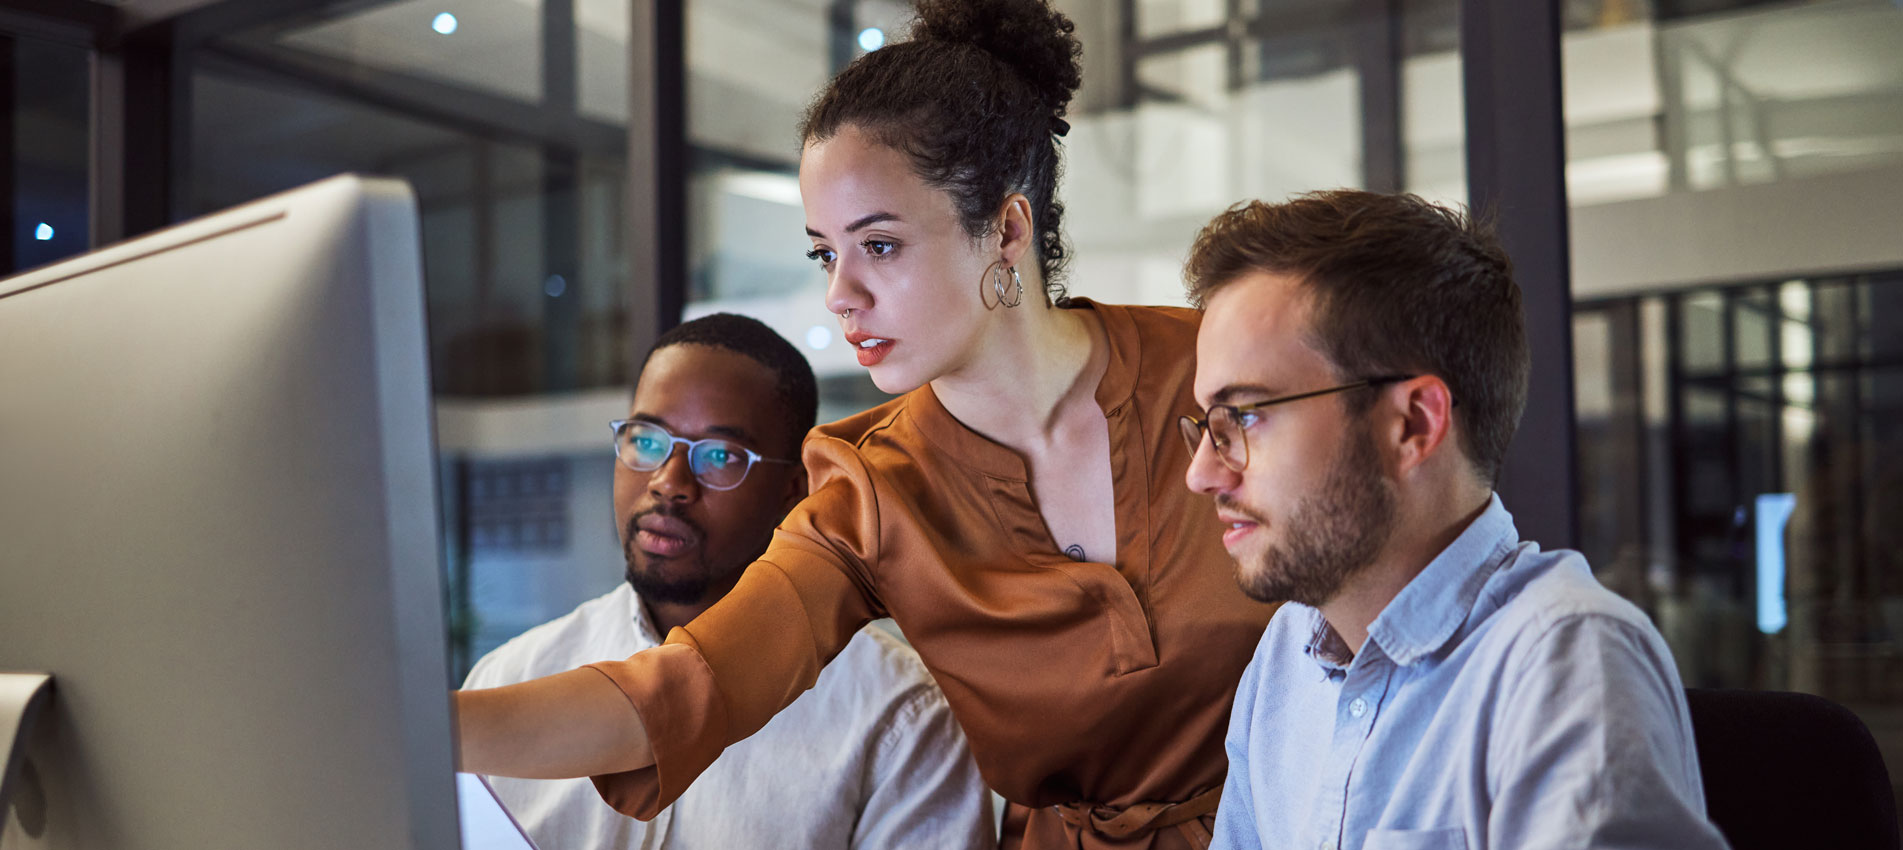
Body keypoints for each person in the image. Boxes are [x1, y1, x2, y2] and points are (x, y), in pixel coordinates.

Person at [453, 2, 1278, 848]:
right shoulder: (869, 491)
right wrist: (416, 725)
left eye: (877, 245)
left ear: (1006, 227)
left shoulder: (1217, 373)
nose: (839, 294)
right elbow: (679, 693)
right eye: (824, 252)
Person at [1179, 191, 1730, 850]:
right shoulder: (1285, 658)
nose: (1202, 474)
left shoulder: (1565, 667)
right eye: (1206, 425)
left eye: (1243, 418)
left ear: (1413, 424)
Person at [460, 314, 994, 849]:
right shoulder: (509, 677)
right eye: (647, 440)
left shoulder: (901, 714)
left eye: (719, 456)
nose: (669, 483)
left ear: (794, 489)